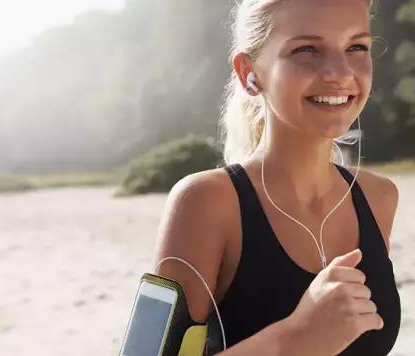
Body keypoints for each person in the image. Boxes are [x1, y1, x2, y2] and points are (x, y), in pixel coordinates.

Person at [152, 0, 401, 355]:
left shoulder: (378, 198)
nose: (340, 72)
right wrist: (295, 338)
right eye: (307, 50)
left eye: (356, 47)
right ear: (248, 72)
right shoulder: (206, 202)